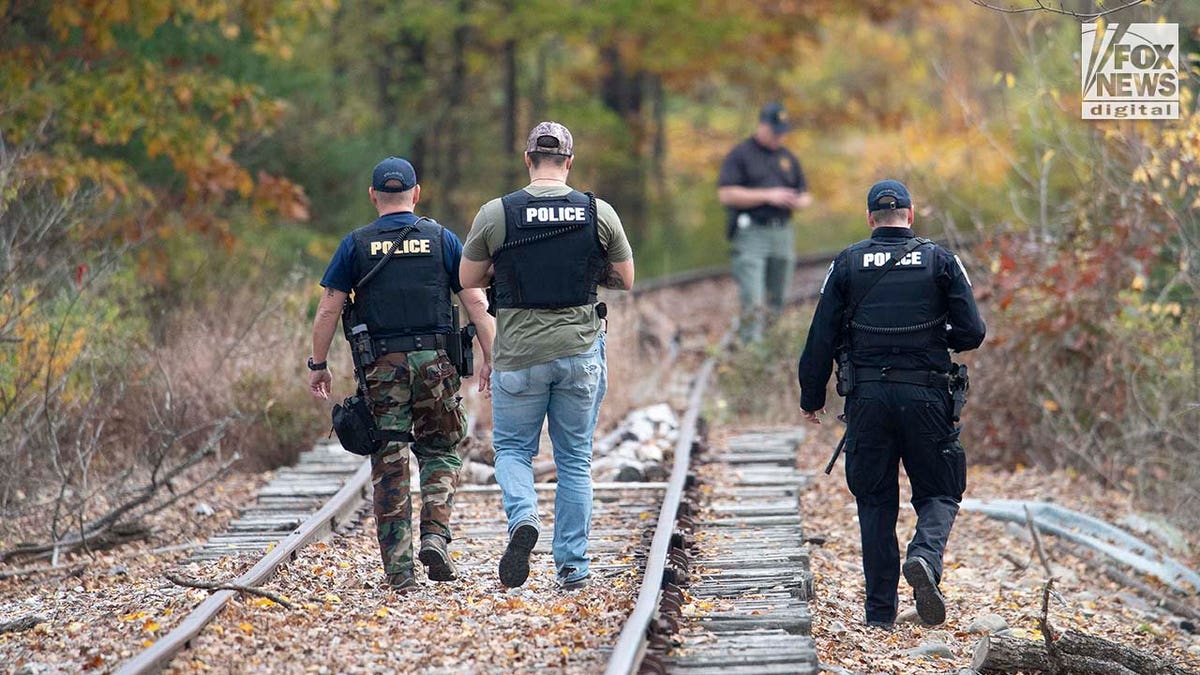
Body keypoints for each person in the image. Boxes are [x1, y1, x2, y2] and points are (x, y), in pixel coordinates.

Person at [796, 180, 985, 628]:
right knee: (940, 490)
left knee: (876, 501)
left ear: (869, 220)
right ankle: (924, 557)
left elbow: (820, 336)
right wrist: (938, 341)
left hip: (868, 399)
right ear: (911, 214)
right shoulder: (941, 260)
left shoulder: (846, 263)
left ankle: (880, 615)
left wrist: (811, 394)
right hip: (926, 396)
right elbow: (973, 332)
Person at [459, 121, 634, 590]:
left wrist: (509, 267)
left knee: (513, 449)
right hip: (579, 351)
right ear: (569, 163)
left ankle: (523, 518)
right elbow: (625, 277)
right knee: (575, 458)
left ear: (527, 160)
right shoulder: (598, 211)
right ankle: (573, 566)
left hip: (518, 353)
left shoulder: (497, 213)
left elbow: (469, 277)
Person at [308, 156, 496, 591]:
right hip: (436, 366)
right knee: (442, 450)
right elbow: (475, 302)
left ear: (373, 196)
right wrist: (491, 356)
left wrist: (318, 365)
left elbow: (328, 309)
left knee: (390, 463)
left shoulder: (354, 245)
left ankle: (400, 573)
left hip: (381, 370)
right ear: (416, 194)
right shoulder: (443, 239)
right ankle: (434, 535)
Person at [718, 102, 813, 343]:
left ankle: (772, 352)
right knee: (753, 298)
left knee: (778, 298)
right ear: (762, 126)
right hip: (752, 232)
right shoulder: (741, 154)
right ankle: (751, 352)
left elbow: (806, 194)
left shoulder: (787, 158)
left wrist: (794, 200)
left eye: (782, 131)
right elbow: (726, 194)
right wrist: (768, 195)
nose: (779, 137)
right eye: (775, 131)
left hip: (781, 232)